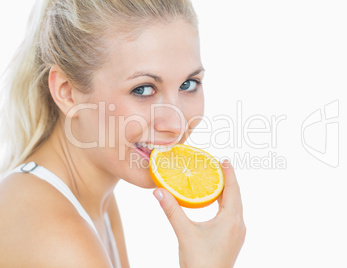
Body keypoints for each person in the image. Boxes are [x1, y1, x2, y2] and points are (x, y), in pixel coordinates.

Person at [0, 0, 246, 267]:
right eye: (142, 89)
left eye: (189, 84)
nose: (175, 124)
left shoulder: (96, 199)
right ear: (68, 92)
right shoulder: (52, 233)